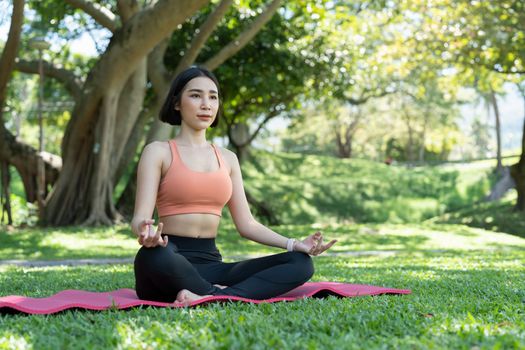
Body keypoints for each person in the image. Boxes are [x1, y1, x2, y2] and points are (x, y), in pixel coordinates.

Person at [131, 66, 336, 305]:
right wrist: (146, 232)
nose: (206, 104)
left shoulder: (228, 158)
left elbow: (247, 224)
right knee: (154, 256)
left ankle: (208, 295)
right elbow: (139, 219)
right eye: (195, 95)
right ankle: (221, 295)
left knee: (299, 263)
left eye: (213, 96)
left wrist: (295, 244)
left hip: (212, 266)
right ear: (177, 103)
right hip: (167, 260)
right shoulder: (158, 152)